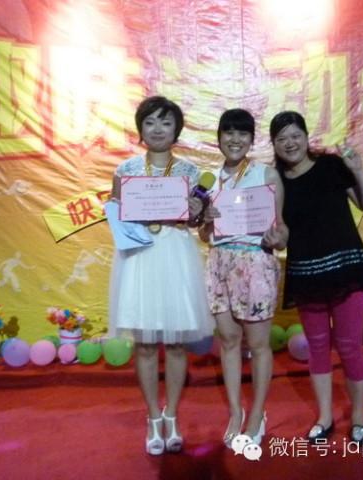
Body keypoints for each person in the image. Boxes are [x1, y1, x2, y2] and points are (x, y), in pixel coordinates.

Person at [108, 96, 214, 455]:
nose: (157, 129)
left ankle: (172, 415)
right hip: (140, 257)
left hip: (175, 255)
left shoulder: (189, 171)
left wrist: (198, 211)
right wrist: (123, 215)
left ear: (176, 131)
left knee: (176, 343)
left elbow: (197, 221)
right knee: (146, 344)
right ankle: (153, 417)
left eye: (166, 123)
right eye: (150, 122)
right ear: (140, 128)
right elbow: (116, 216)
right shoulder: (125, 170)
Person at [269, 111, 363, 444]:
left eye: (295, 135)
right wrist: (274, 239)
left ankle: (358, 416)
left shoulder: (332, 166)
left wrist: (358, 170)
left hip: (347, 269)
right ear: (274, 145)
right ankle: (324, 417)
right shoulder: (275, 182)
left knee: (349, 347)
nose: (290, 143)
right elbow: (282, 233)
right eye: (281, 139)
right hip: (307, 275)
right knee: (318, 349)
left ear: (306, 137)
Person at [199, 108, 288, 447]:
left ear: (251, 139)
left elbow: (281, 231)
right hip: (218, 263)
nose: (235, 139)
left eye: (242, 133)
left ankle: (257, 414)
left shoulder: (266, 175)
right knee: (228, 340)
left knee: (259, 345)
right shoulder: (208, 180)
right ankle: (236, 412)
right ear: (219, 138)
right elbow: (205, 235)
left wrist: (276, 239)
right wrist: (206, 221)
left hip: (255, 263)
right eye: (229, 132)